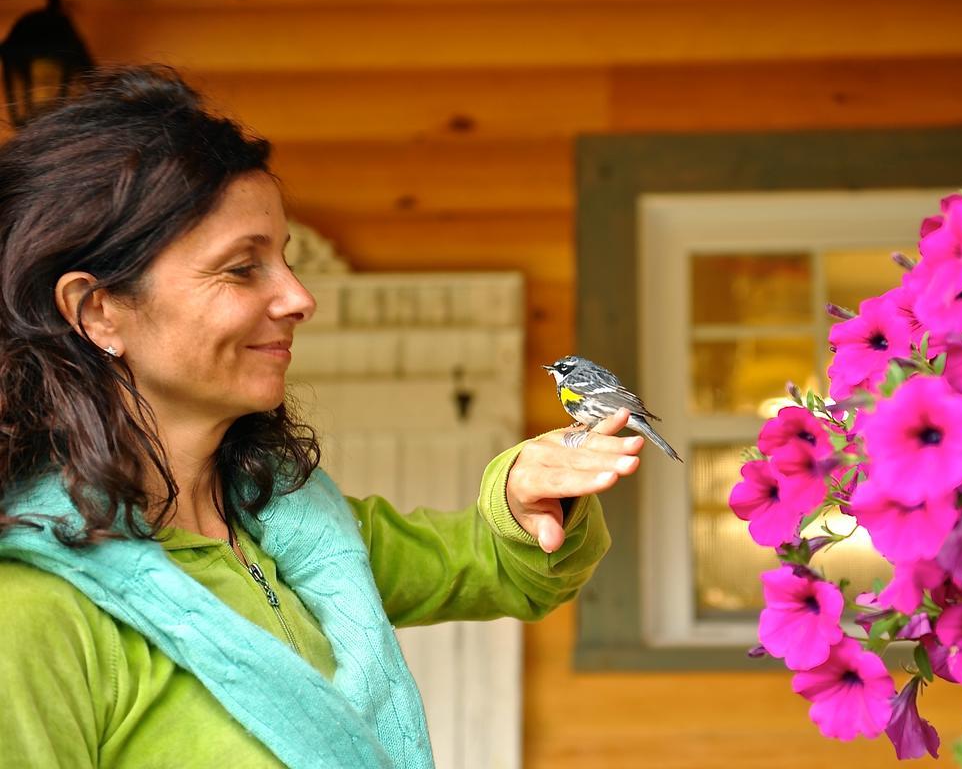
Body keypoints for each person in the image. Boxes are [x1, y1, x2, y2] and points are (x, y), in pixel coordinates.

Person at [0, 66, 643, 768]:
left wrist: (523, 491)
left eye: (286, 261)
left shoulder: (295, 527)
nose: (300, 297)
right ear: (98, 311)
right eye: (242, 268)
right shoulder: (32, 607)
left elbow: (499, 565)